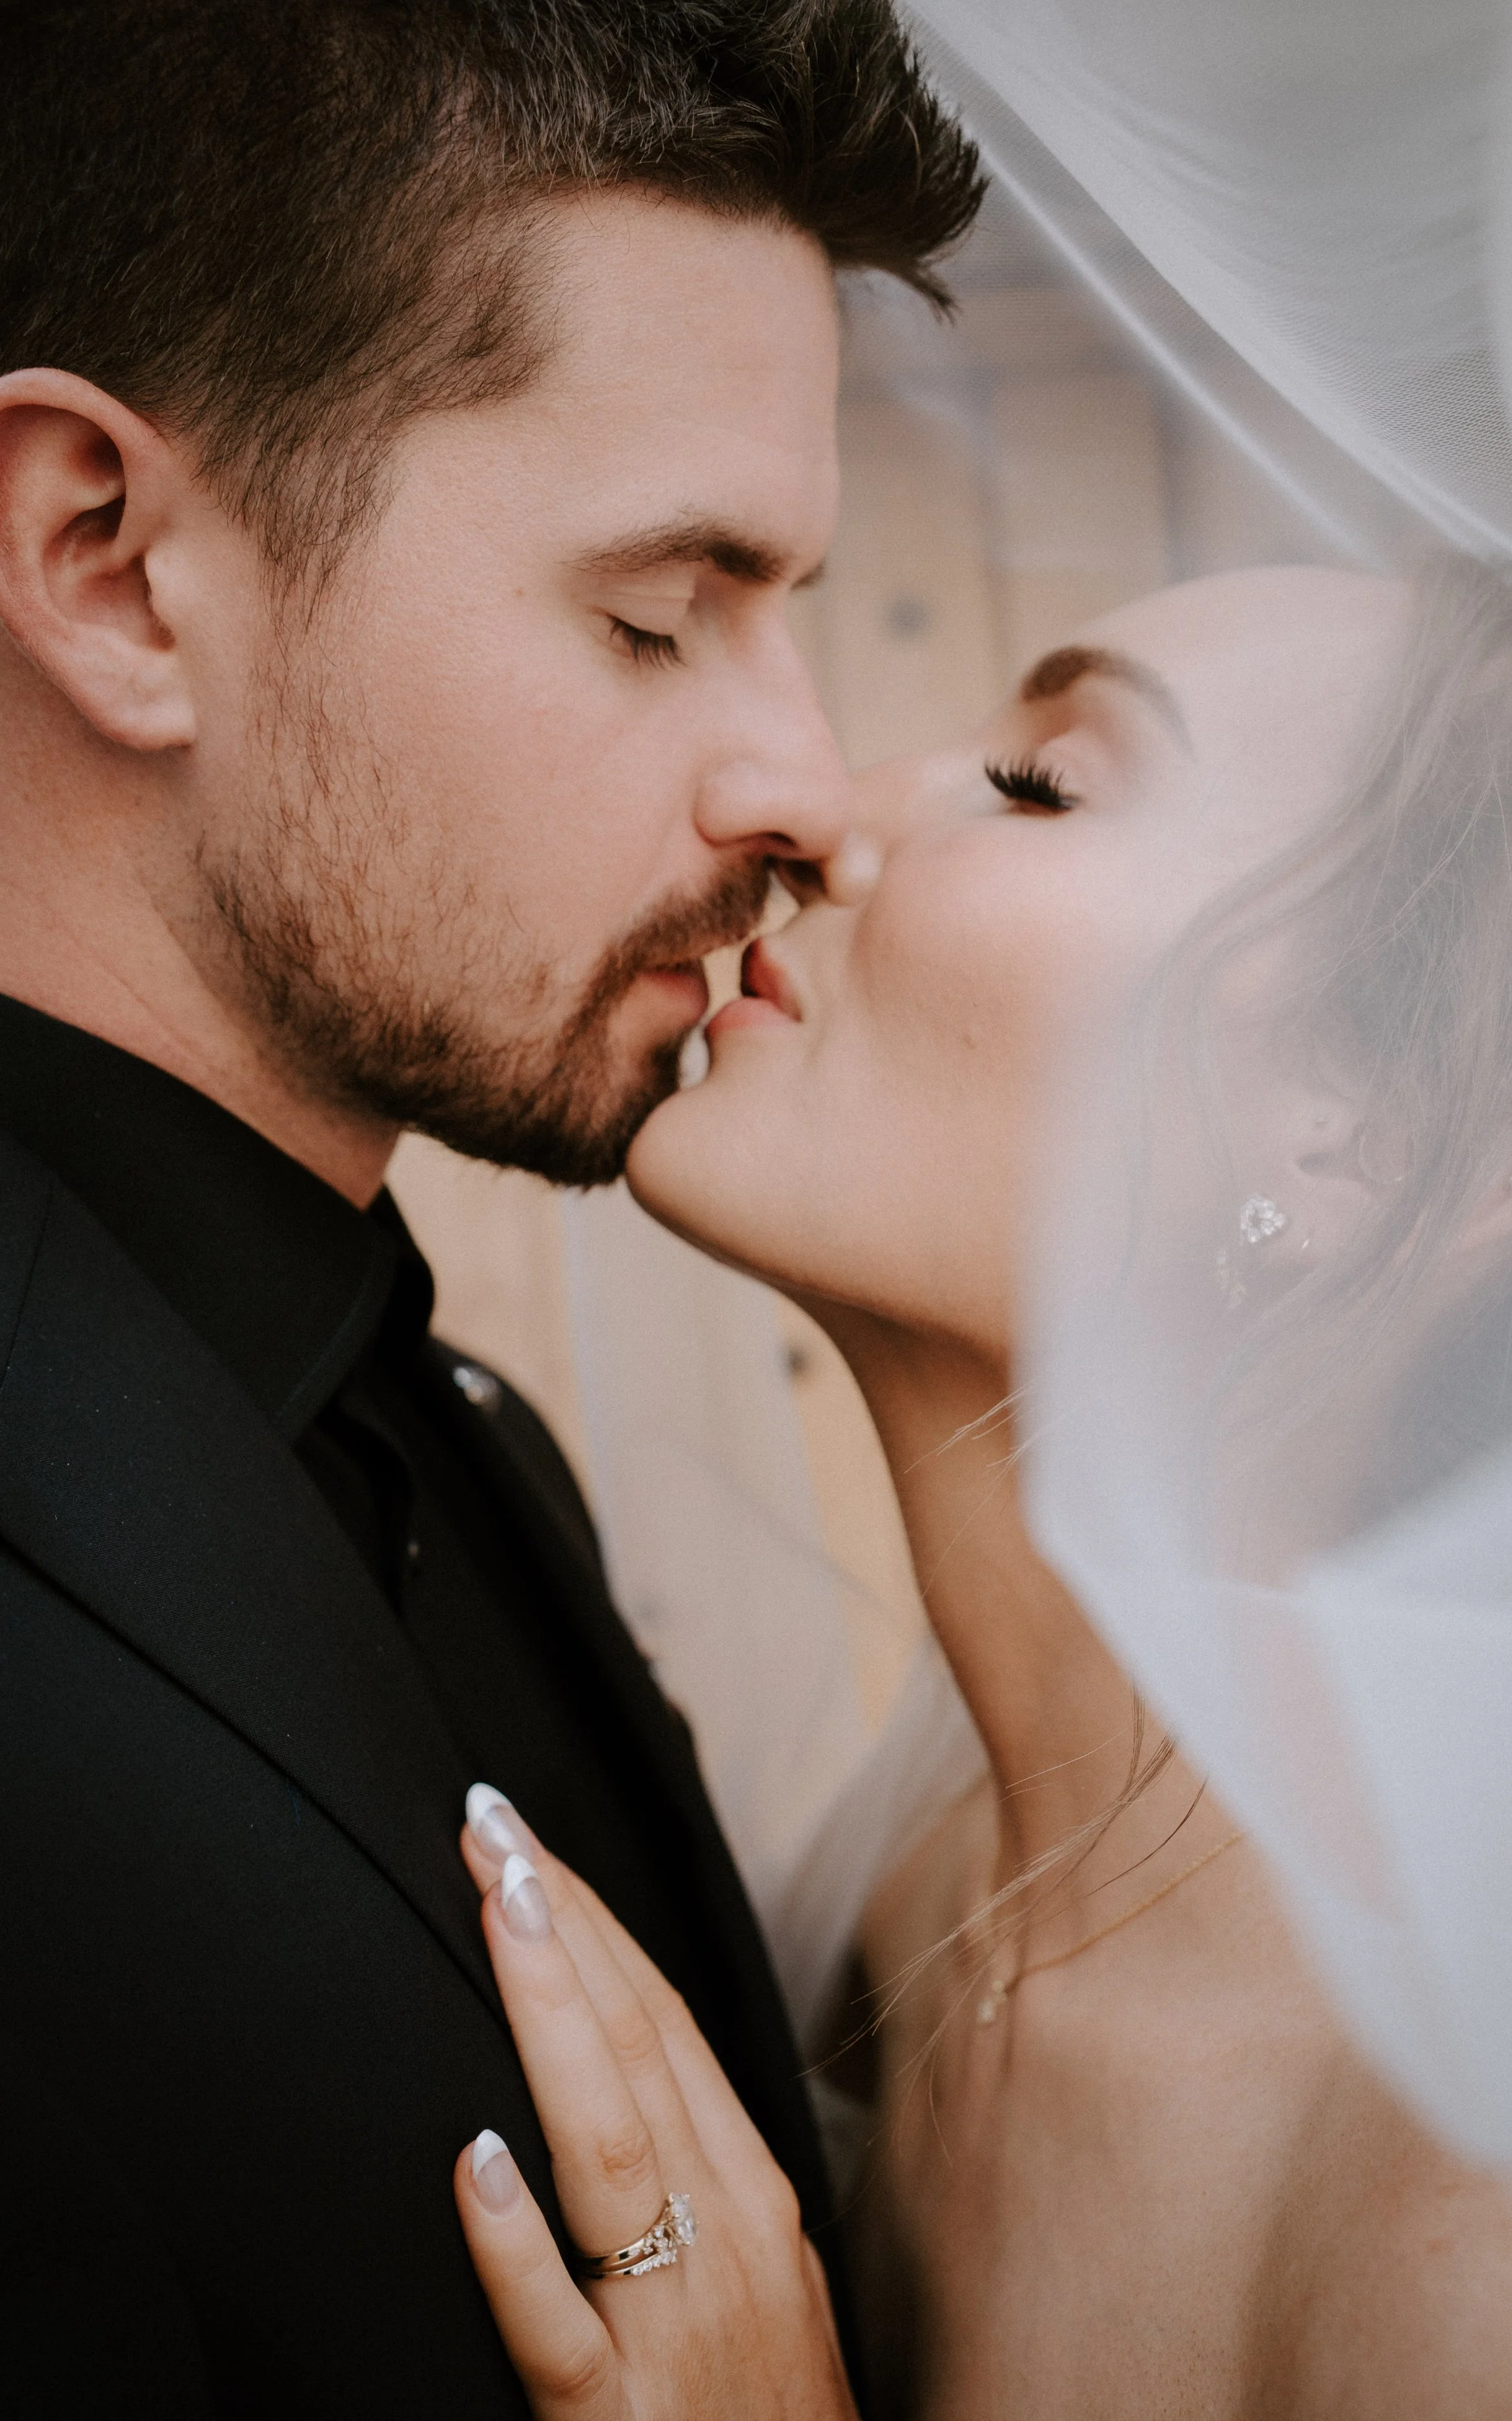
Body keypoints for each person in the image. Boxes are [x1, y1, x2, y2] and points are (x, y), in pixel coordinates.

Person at [0, 5, 984, 2413]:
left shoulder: (463, 1443)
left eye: (792, 610)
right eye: (657, 615)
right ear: (109, 566)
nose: (797, 770)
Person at [452, 558, 1512, 2416]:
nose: (825, 818)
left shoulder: (1510, 2232)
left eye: (1040, 781)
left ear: (1369, 1150)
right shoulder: (907, 1919)